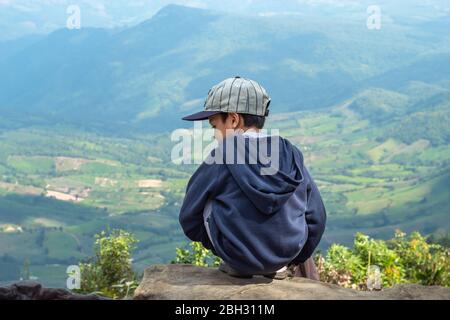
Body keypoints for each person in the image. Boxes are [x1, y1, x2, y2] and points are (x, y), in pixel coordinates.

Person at [179, 76, 326, 280]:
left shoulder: (223, 154)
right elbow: (316, 217)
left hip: (237, 258)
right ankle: (278, 267)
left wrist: (227, 250)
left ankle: (235, 263)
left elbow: (189, 217)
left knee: (206, 198)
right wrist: (292, 258)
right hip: (285, 257)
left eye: (214, 126)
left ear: (233, 119)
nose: (214, 135)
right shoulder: (290, 154)